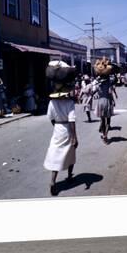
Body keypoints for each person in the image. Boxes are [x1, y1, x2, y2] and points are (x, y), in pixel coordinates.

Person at [43, 60, 78, 196]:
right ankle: (69, 176)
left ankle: (53, 180)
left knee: (55, 154)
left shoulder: (52, 102)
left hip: (57, 129)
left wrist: (57, 126)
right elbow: (72, 120)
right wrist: (75, 137)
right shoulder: (69, 102)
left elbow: (50, 118)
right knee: (70, 153)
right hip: (67, 129)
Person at [93, 57, 116, 143]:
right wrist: (113, 101)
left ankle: (103, 134)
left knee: (102, 120)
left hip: (100, 102)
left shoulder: (97, 82)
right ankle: (106, 135)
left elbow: (94, 91)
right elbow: (111, 91)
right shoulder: (109, 82)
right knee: (108, 120)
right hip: (107, 101)